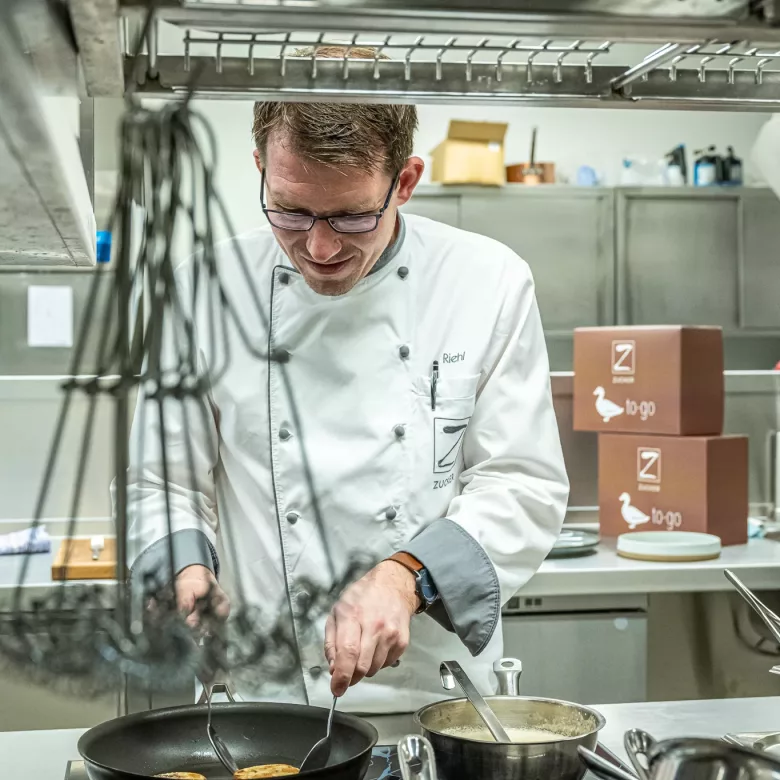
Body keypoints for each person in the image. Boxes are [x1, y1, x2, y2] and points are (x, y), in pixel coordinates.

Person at [125, 47, 569, 714]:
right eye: (291, 212)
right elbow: (163, 480)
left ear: (407, 181)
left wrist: (406, 577)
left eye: (353, 216)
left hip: (435, 698)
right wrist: (185, 569)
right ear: (261, 171)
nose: (321, 248)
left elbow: (522, 482)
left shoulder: (487, 281)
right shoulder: (200, 289)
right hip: (263, 696)